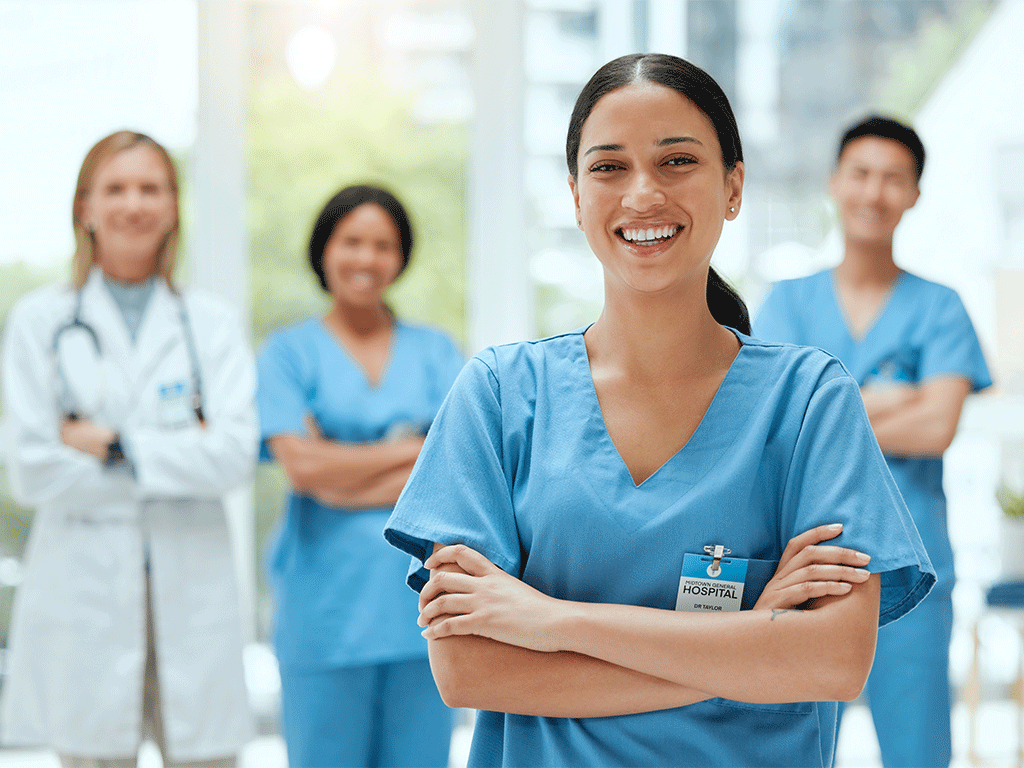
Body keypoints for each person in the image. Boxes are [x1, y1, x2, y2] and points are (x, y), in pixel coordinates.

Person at [382, 54, 937, 768]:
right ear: (577, 197)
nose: (643, 194)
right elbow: (469, 671)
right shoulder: (499, 394)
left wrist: (551, 621)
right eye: (609, 167)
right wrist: (749, 640)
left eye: (677, 160)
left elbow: (833, 661)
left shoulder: (808, 402)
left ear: (733, 187)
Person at [0, 131, 257, 767]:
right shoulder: (40, 321)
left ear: (172, 207)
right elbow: (31, 471)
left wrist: (111, 446)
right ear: (84, 206)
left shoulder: (211, 322)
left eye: (151, 188)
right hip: (84, 597)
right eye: (116, 188)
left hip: (192, 592)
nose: (133, 204)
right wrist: (176, 456)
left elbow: (232, 455)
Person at [755, 115, 992, 768]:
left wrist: (832, 414)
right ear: (834, 183)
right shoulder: (787, 303)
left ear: (915, 193)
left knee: (917, 750)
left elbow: (936, 426)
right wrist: (893, 401)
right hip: (804, 564)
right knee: (797, 747)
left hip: (909, 566)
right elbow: (774, 433)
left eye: (894, 178)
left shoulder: (940, 306)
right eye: (860, 174)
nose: (874, 193)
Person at [256, 184, 463, 768]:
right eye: (352, 242)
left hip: (421, 610)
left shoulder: (437, 351)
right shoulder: (287, 352)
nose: (367, 259)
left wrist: (338, 466)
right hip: (324, 612)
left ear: (401, 257)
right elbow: (302, 469)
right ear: (324, 250)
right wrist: (415, 450)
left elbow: (459, 470)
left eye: (383, 245)